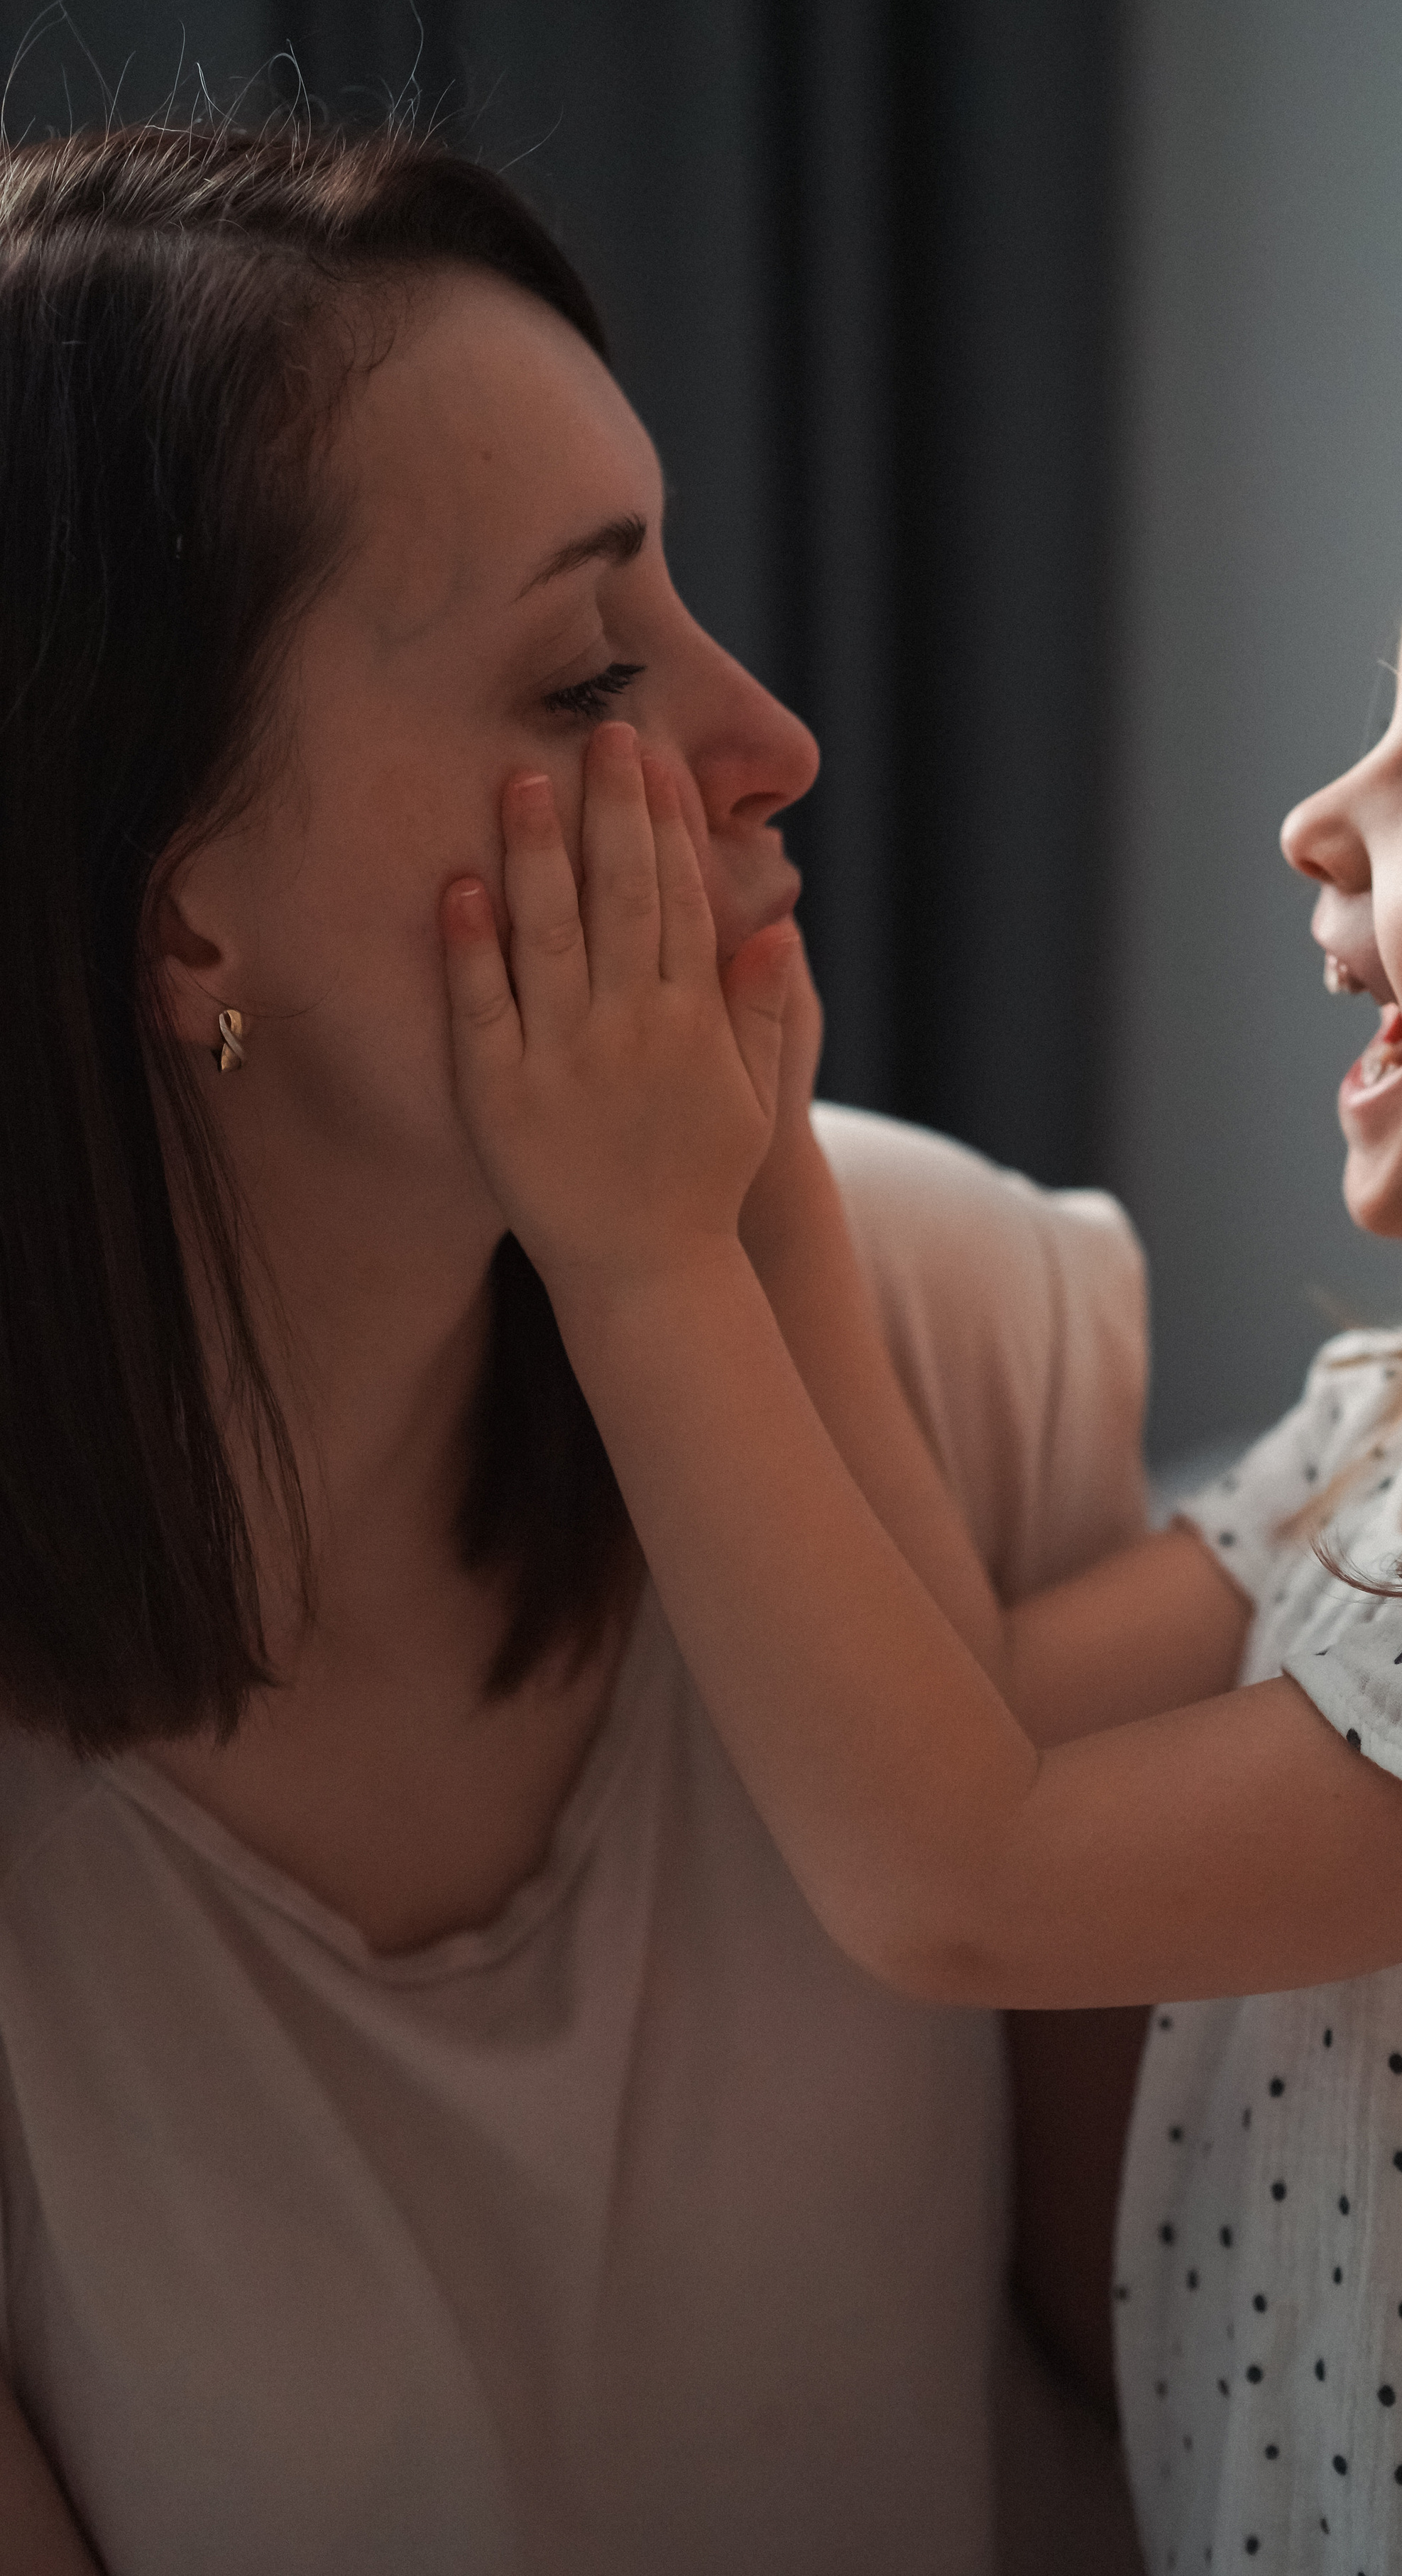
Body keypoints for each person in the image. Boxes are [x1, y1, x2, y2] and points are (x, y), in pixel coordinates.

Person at [443, 341, 1402, 2575]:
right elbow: (975, 1694)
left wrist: (638, 1256)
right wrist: (768, 1164)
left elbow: (961, 1874)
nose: (1321, 814)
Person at [0, 123, 1153, 2574]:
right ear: (176, 911)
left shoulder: (958, 1324)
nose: (769, 740)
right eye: (590, 667)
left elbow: (1213, 2375)